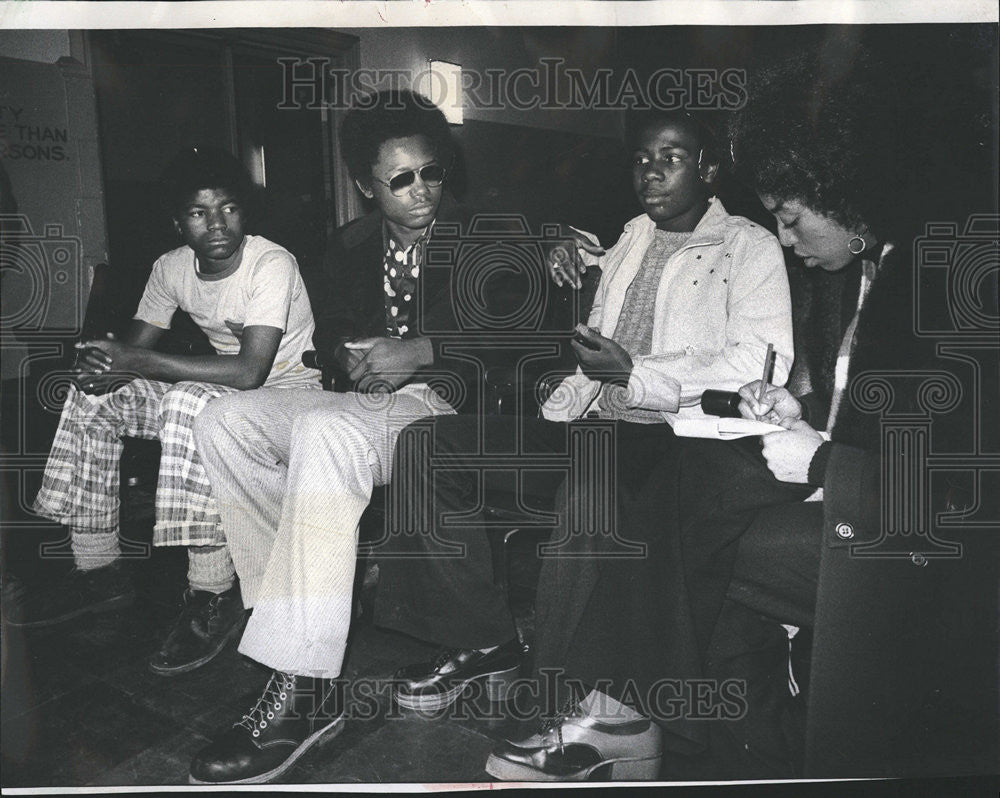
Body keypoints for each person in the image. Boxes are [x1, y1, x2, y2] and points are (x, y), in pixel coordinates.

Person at [484, 48, 983, 781]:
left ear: (845, 192)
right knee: (690, 482)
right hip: (829, 478)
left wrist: (819, 458)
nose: (784, 237)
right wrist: (800, 410)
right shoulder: (874, 267)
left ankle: (622, 716)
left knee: (679, 513)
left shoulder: (944, 288)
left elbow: (950, 494)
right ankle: (708, 739)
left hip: (911, 547)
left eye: (791, 215)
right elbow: (863, 409)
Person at [374, 109, 795, 716]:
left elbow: (760, 363)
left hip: (680, 440)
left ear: (709, 169)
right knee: (427, 442)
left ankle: (560, 696)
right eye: (641, 160)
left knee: (589, 486)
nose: (650, 173)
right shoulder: (630, 236)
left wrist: (635, 376)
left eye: (670, 158)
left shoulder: (747, 246)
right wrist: (569, 391)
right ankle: (480, 639)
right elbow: (594, 332)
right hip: (596, 425)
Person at [186, 89, 504, 786]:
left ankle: (302, 683)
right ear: (366, 186)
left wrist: (418, 351)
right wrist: (350, 356)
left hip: (449, 407)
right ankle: (291, 627)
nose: (421, 190)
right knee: (221, 418)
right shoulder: (349, 245)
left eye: (431, 172)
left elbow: (513, 334)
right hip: (361, 401)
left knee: (328, 432)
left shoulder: (486, 235)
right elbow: (328, 334)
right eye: (400, 179)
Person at [8, 148, 321, 679]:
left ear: (246, 212)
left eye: (228, 208)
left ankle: (212, 591)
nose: (217, 223)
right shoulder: (171, 267)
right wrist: (103, 367)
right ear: (179, 222)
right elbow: (132, 353)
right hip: (227, 396)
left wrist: (141, 360)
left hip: (289, 402)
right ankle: (98, 567)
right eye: (199, 213)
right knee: (95, 398)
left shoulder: (272, 262)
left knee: (188, 399)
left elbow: (249, 371)